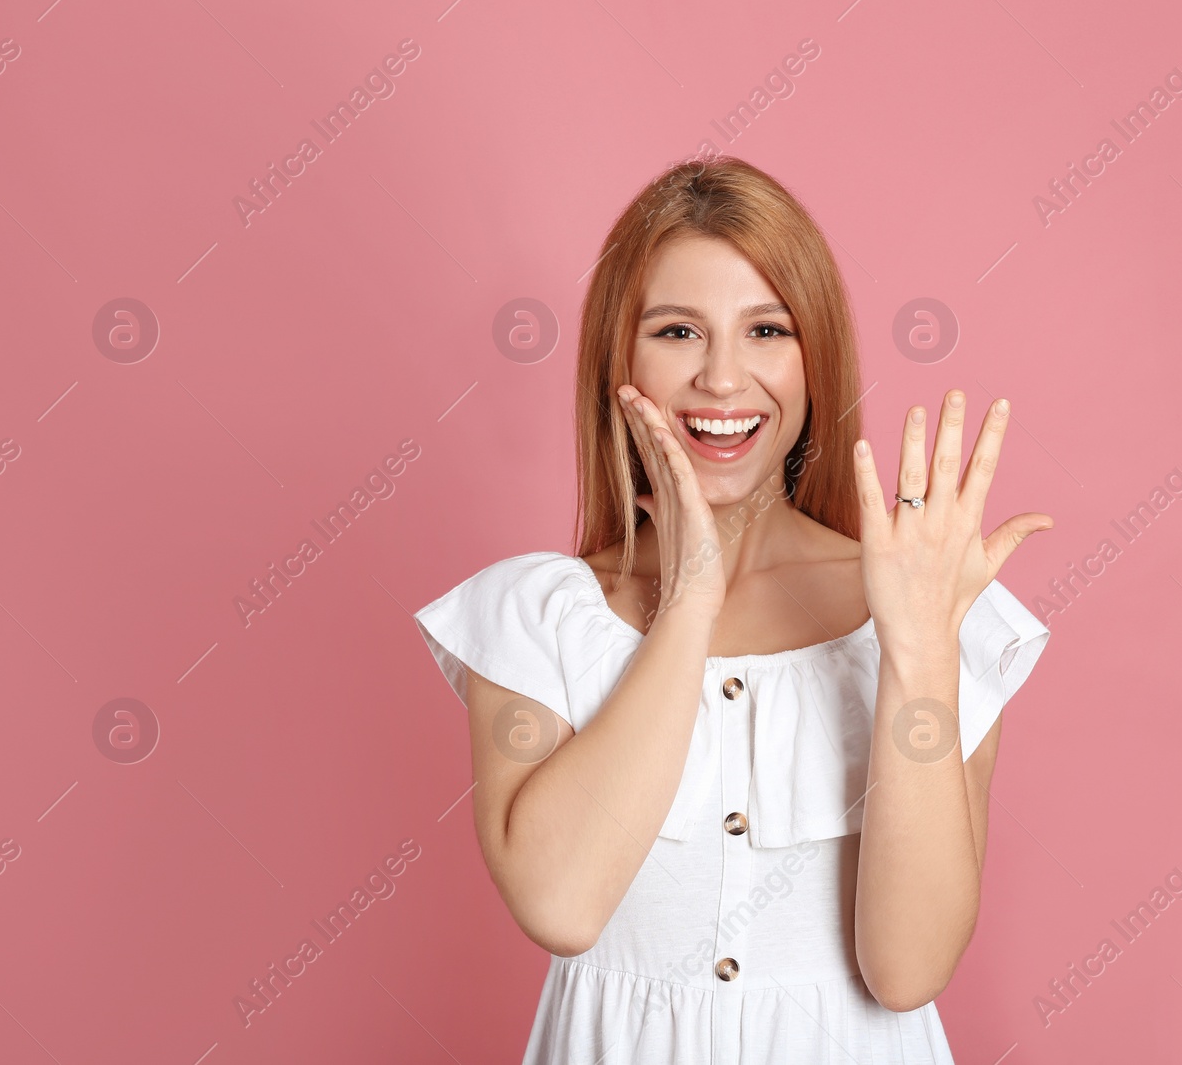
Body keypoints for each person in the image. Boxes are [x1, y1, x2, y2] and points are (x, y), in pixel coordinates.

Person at [414, 156, 1054, 1063]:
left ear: (815, 358)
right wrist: (689, 600)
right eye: (678, 331)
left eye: (766, 330)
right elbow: (560, 902)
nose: (722, 379)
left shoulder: (930, 610)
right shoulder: (535, 620)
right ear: (618, 359)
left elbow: (906, 967)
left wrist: (916, 652)